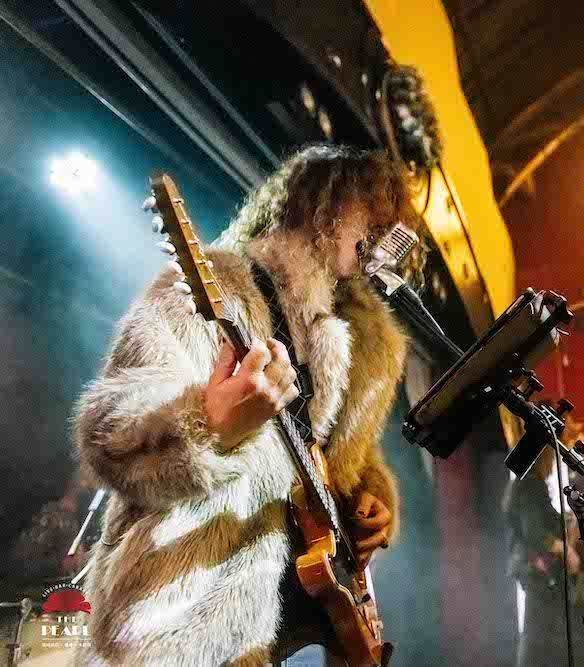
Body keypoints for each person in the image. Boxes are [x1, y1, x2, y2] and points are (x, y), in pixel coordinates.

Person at [73, 144, 418, 665]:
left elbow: (337, 461)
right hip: (177, 616)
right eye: (368, 203)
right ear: (318, 203)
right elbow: (109, 433)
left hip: (283, 626)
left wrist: (369, 502)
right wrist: (209, 425)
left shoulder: (352, 343)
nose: (381, 223)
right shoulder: (212, 289)